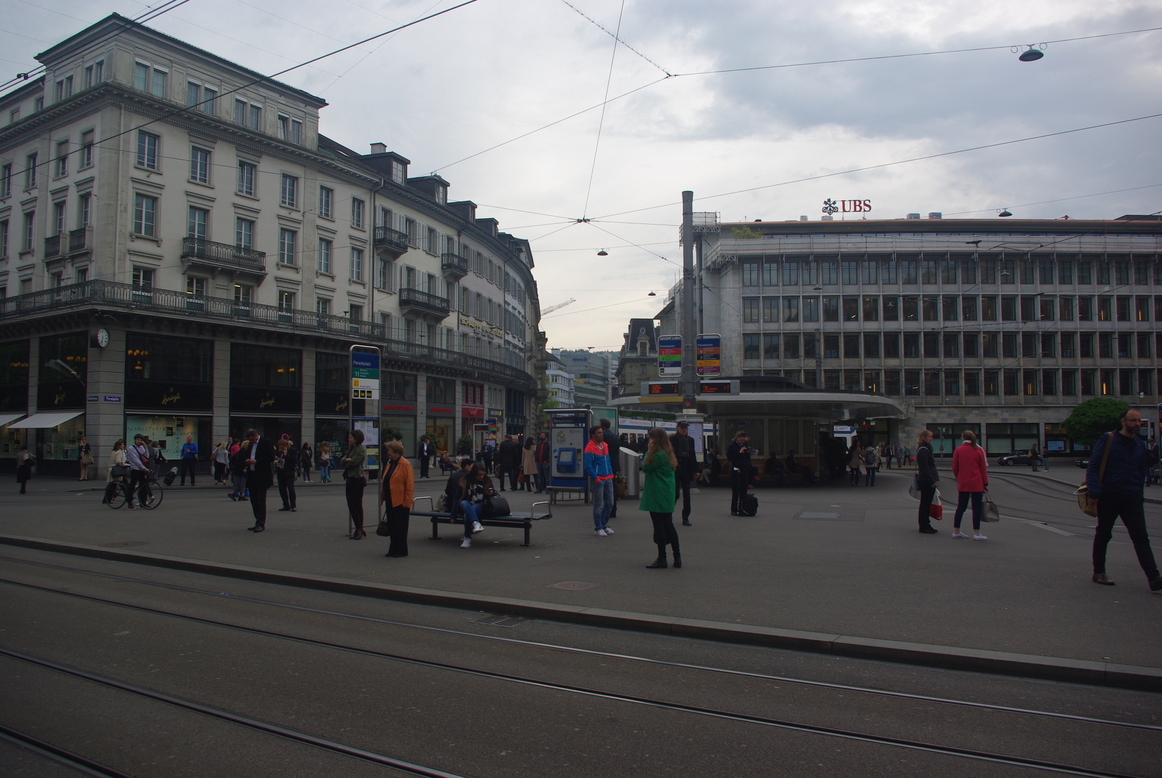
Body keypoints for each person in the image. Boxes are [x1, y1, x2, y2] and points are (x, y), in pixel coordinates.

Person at [1087, 408, 1162, 591]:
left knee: (1140, 536)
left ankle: (1153, 577)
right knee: (1104, 533)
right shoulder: (1109, 439)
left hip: (1132, 497)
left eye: (1138, 421)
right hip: (1110, 495)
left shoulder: (1139, 444)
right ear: (1123, 421)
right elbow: (1094, 465)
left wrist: (1139, 491)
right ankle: (1099, 571)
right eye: (1133, 420)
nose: (1137, 424)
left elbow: (1141, 468)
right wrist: (1095, 492)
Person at [640, 427, 682, 569]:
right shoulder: (667, 453)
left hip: (657, 494)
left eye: (651, 437)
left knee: (659, 527)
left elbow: (646, 467)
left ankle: (662, 558)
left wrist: (648, 451)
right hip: (666, 494)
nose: (649, 440)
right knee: (668, 525)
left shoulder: (658, 455)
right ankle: (677, 557)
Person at [950, 430, 989, 540]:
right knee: (976, 508)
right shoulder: (978, 450)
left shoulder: (958, 450)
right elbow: (983, 468)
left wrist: (959, 478)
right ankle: (976, 533)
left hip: (963, 482)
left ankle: (956, 530)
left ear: (962, 437)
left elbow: (955, 467)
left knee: (961, 507)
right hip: (977, 482)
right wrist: (985, 483)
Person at [380, 440, 415, 557]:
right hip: (390, 499)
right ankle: (393, 548)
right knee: (392, 525)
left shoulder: (405, 464)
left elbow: (409, 485)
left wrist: (407, 501)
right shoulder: (390, 464)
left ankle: (401, 549)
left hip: (401, 501)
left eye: (389, 450)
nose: (388, 453)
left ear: (396, 452)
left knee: (401, 527)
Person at [584, 425, 615, 536]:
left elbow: (608, 461)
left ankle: (603, 525)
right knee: (598, 504)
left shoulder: (605, 445)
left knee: (609, 503)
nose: (602, 434)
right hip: (598, 479)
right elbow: (588, 466)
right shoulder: (590, 448)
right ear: (593, 435)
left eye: (602, 432)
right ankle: (598, 527)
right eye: (599, 433)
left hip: (607, 477)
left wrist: (610, 474)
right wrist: (596, 478)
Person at [454, 463, 492, 548]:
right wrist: (453, 514)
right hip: (467, 503)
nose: (481, 477)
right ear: (473, 474)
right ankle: (475, 523)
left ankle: (467, 537)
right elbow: (457, 497)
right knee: (464, 503)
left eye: (482, 474)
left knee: (467, 514)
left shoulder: (487, 480)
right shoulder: (466, 481)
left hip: (480, 504)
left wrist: (489, 493)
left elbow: (493, 494)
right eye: (479, 475)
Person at [244, 429, 275, 532]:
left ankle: (261, 523)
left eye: (252, 439)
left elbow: (271, 457)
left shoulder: (266, 442)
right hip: (252, 475)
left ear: (256, 435)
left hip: (262, 475)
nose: (252, 441)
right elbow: (248, 454)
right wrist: (247, 460)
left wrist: (257, 461)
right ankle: (257, 520)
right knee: (254, 500)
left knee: (261, 500)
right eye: (250, 440)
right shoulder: (250, 445)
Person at [669, 421, 697, 526]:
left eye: (685, 428)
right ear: (677, 428)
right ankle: (669, 514)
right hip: (675, 469)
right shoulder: (672, 439)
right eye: (682, 428)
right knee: (675, 494)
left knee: (687, 495)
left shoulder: (690, 440)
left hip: (686, 469)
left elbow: (692, 455)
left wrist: (696, 470)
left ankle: (686, 517)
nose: (684, 430)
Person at [341, 430, 367, 538]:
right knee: (351, 504)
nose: (349, 439)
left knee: (356, 504)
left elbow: (353, 462)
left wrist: (347, 460)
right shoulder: (352, 448)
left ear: (356, 438)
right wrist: (346, 460)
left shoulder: (360, 449)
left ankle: (359, 528)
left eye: (351, 437)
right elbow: (343, 461)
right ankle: (359, 527)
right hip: (350, 478)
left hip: (357, 479)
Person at [915, 429, 939, 534]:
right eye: (929, 437)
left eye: (931, 437)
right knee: (925, 503)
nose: (931, 439)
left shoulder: (925, 448)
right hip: (926, 481)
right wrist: (932, 481)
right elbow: (925, 467)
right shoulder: (924, 450)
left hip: (926, 479)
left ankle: (926, 524)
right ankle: (924, 525)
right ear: (924, 438)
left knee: (926, 503)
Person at [726, 430, 753, 515]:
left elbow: (748, 457)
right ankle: (734, 509)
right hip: (736, 469)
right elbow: (730, 457)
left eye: (744, 440)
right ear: (737, 438)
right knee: (736, 490)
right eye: (742, 439)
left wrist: (748, 453)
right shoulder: (732, 446)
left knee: (744, 489)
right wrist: (739, 452)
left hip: (744, 469)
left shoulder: (745, 445)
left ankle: (742, 508)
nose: (743, 441)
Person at [600, 419, 621, 518]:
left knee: (604, 488)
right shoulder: (615, 436)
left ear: (603, 426)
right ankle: (613, 509)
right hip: (614, 464)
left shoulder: (602, 436)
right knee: (612, 486)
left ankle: (605, 509)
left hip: (604, 464)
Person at [126, 434, 151, 509]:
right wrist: (144, 468)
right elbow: (135, 460)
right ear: (135, 440)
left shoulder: (141, 448)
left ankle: (143, 502)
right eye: (138, 440)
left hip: (141, 469)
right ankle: (129, 503)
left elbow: (146, 456)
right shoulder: (131, 448)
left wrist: (145, 447)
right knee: (132, 486)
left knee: (143, 486)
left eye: (141, 440)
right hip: (135, 469)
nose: (139, 441)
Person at [275, 438, 297, 512]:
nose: (281, 448)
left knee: (291, 489)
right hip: (281, 472)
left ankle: (293, 505)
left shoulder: (293, 451)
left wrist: (286, 455)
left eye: (282, 447)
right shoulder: (279, 452)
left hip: (289, 472)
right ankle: (286, 505)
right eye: (280, 447)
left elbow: (294, 460)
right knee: (282, 490)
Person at [103, 439, 127, 504]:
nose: (123, 445)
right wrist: (123, 463)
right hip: (116, 470)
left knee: (112, 485)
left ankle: (106, 499)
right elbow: (118, 461)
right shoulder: (119, 452)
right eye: (122, 444)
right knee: (119, 484)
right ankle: (127, 496)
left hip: (112, 469)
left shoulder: (113, 452)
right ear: (119, 446)